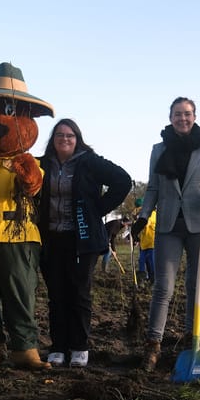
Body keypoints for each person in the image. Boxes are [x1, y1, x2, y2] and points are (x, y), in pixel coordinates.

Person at [132, 97, 200, 373]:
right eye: (177, 114)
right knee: (163, 287)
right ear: (170, 117)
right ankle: (153, 344)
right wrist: (143, 216)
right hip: (168, 225)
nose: (183, 118)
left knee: (196, 285)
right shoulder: (159, 149)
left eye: (187, 114)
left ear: (194, 116)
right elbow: (153, 188)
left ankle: (191, 338)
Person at [37, 118, 131, 368]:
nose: (64, 139)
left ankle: (79, 346)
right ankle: (58, 347)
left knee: (79, 293)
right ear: (53, 139)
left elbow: (123, 181)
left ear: (77, 139)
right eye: (59, 135)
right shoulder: (42, 164)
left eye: (70, 135)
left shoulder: (90, 162)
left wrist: (96, 209)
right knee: (56, 295)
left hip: (82, 238)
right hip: (50, 238)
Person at [134, 199, 156, 282]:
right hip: (143, 243)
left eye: (139, 208)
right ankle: (142, 278)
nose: (138, 210)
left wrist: (138, 221)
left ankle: (153, 279)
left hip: (151, 242)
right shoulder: (141, 215)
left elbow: (145, 224)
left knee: (151, 261)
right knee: (141, 260)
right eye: (137, 209)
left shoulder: (153, 214)